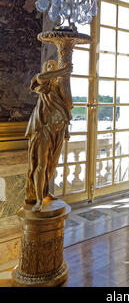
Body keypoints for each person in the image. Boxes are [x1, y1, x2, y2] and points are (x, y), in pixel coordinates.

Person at [25, 60, 72, 212]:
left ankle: (45, 191)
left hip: (57, 128)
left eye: (54, 66)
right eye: (49, 66)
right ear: (45, 69)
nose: (52, 67)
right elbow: (41, 77)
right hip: (42, 127)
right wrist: (63, 70)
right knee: (41, 164)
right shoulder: (41, 81)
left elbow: (66, 107)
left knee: (52, 164)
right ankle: (38, 199)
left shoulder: (58, 87)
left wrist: (66, 130)